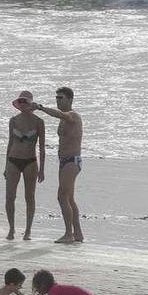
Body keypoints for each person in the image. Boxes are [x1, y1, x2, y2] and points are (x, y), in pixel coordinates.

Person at [31, 87, 83, 244]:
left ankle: (68, 234)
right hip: (64, 161)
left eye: (61, 98)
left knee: (62, 196)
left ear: (69, 99)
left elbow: (61, 114)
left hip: (72, 160)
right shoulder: (63, 119)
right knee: (69, 198)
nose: (58, 100)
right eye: (56, 98)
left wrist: (40, 107)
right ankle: (78, 233)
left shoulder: (72, 115)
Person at [4, 91, 46, 240]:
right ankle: (11, 229)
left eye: (25, 101)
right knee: (10, 197)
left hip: (30, 161)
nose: (22, 104)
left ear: (31, 103)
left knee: (30, 197)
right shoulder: (13, 121)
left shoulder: (38, 122)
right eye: (20, 101)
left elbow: (41, 147)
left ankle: (28, 230)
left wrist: (42, 169)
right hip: (13, 160)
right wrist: (5, 165)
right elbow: (10, 143)